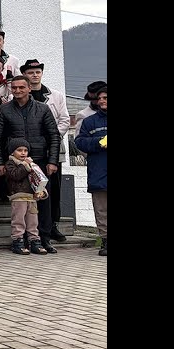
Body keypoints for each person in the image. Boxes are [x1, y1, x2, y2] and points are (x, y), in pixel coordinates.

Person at [0, 76, 61, 254]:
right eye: (14, 88)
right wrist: (0, 163)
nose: (17, 91)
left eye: (22, 87)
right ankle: (19, 240)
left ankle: (43, 240)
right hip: (15, 164)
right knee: (20, 204)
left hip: (39, 161)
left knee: (42, 200)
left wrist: (52, 161)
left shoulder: (43, 109)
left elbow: (54, 135)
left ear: (29, 88)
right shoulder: (4, 110)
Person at [21, 59, 71, 241]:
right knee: (31, 189)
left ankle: (52, 226)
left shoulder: (56, 95)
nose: (34, 75)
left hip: (53, 150)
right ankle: (31, 228)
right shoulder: (21, 96)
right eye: (30, 72)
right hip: (30, 152)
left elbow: (65, 119)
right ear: (25, 75)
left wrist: (52, 137)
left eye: (37, 72)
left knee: (53, 189)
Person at [74, 86, 107, 256]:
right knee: (101, 209)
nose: (102, 101)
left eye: (105, 98)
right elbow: (79, 142)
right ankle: (105, 240)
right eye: (100, 98)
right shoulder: (90, 121)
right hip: (99, 171)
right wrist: (99, 142)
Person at [2, 138, 49, 255]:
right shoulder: (10, 164)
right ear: (12, 152)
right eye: (19, 150)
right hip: (18, 197)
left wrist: (41, 190)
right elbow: (16, 175)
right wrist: (26, 166)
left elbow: (38, 178)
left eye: (25, 150)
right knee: (18, 220)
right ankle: (18, 241)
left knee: (33, 221)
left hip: (31, 197)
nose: (23, 153)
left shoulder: (31, 164)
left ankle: (34, 241)